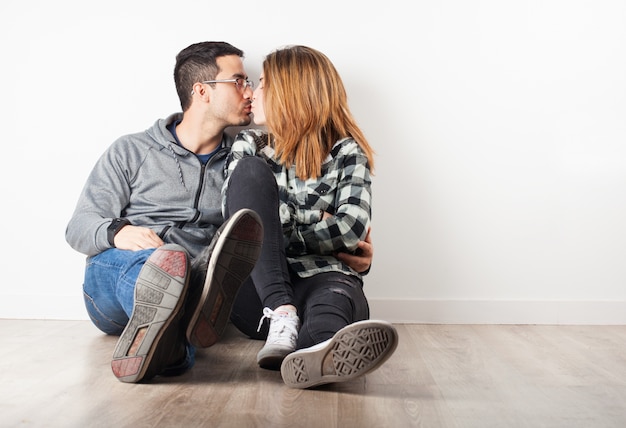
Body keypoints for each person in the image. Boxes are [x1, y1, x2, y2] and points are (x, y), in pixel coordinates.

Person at [65, 41, 372, 384]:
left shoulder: (242, 162)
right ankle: (165, 315)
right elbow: (79, 226)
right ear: (202, 91)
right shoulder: (131, 150)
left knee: (188, 285)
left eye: (253, 82)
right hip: (121, 276)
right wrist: (118, 232)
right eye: (239, 81)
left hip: (198, 285)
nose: (250, 90)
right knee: (152, 268)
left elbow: (255, 229)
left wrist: (348, 251)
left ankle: (172, 343)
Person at [224, 45, 398, 389]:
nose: (253, 94)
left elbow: (350, 229)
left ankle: (318, 355)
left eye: (262, 85)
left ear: (290, 94)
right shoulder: (249, 149)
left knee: (334, 296)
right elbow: (237, 222)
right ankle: (284, 313)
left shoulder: (347, 153)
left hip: (326, 280)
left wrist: (274, 222)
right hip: (259, 298)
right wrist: (316, 217)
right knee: (249, 176)